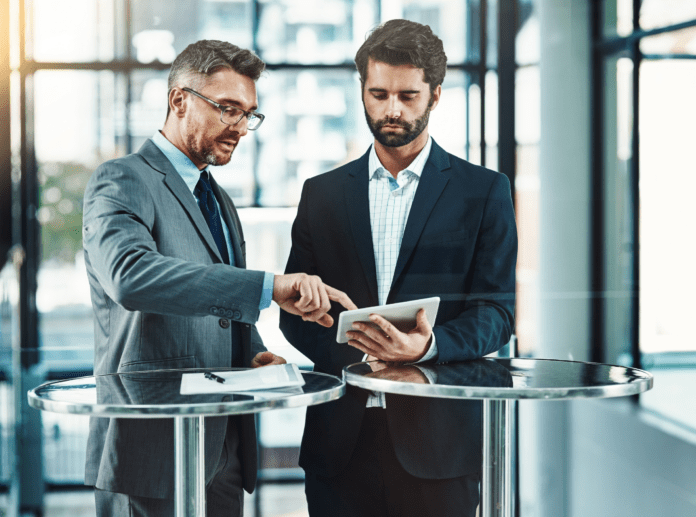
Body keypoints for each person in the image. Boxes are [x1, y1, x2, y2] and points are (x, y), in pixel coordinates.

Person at [82, 39, 355, 517]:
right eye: (228, 109)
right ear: (178, 100)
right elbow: (130, 277)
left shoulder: (220, 200)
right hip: (154, 442)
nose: (241, 127)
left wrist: (253, 356)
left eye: (249, 113)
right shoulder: (122, 179)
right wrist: (270, 286)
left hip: (225, 445)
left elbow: (218, 308)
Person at [279, 19, 518, 517]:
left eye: (408, 96)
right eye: (379, 93)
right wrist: (351, 351)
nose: (392, 109)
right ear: (362, 91)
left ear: (435, 95)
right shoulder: (320, 194)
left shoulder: (484, 191)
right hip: (338, 442)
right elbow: (292, 311)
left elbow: (496, 311)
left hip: (439, 447)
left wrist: (427, 348)